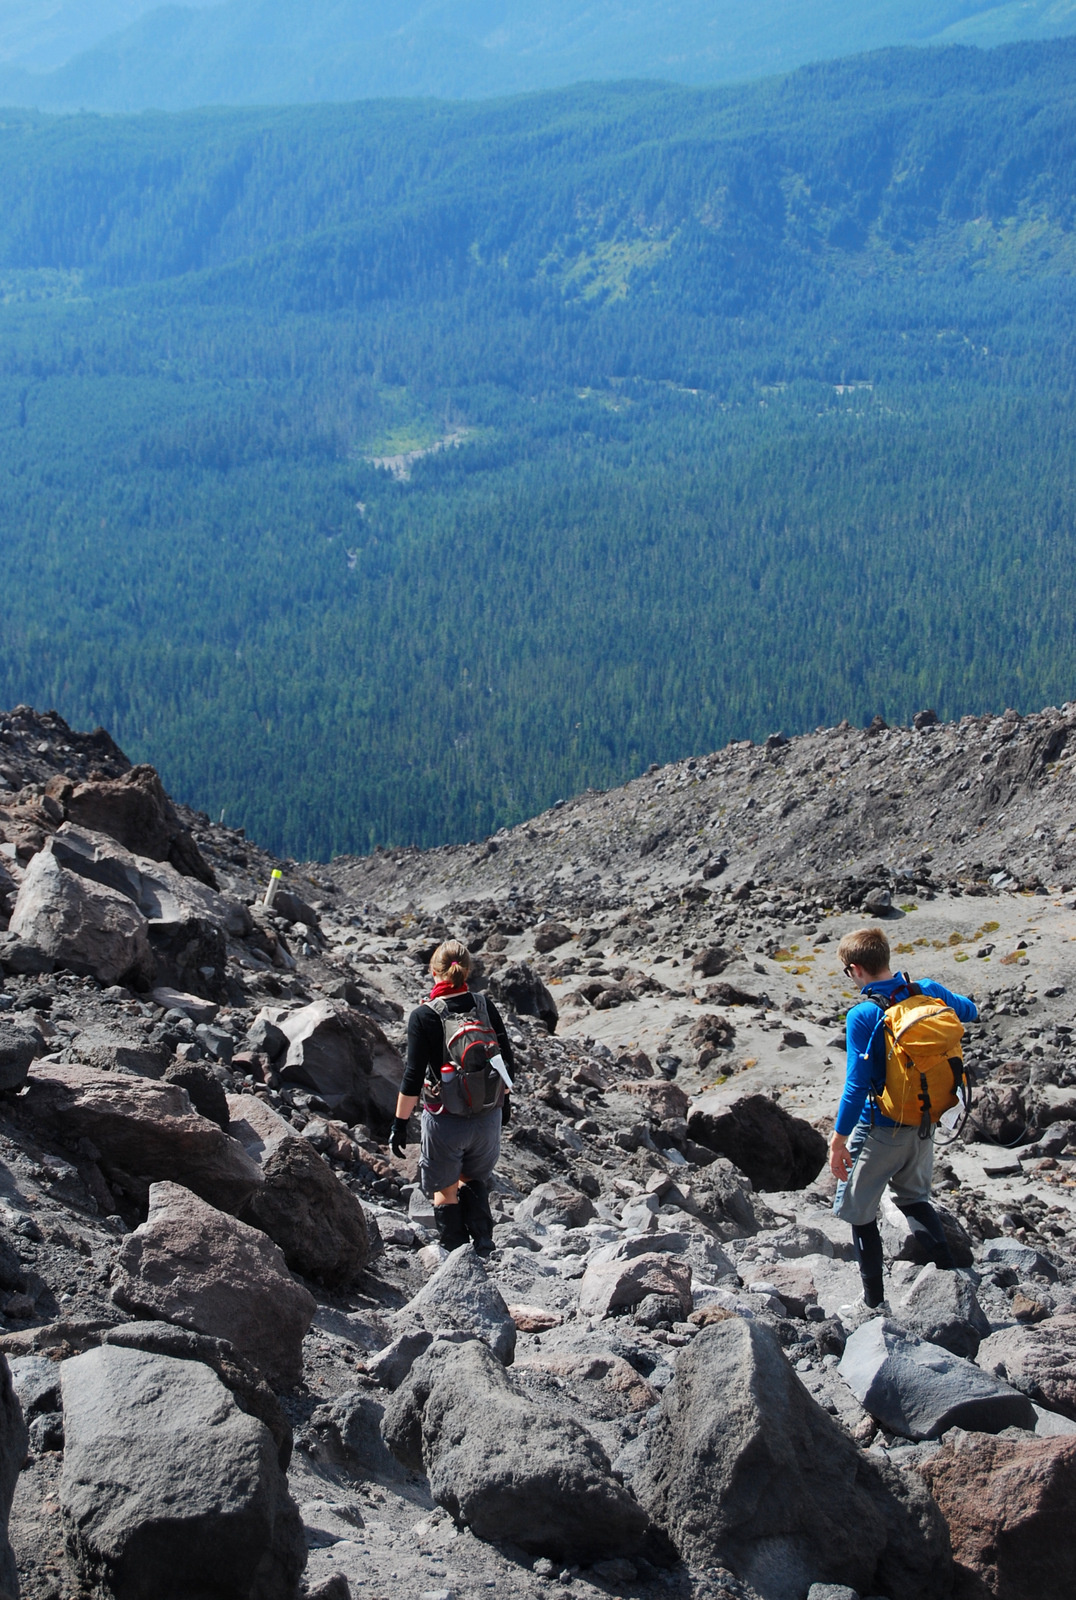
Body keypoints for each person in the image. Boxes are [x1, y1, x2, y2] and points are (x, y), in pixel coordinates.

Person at [828, 926, 978, 1310]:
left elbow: (856, 1085)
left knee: (860, 1212)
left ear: (856, 969)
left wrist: (839, 1139)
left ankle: (873, 1305)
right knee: (914, 1200)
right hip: (926, 1120)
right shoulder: (926, 989)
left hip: (880, 1127)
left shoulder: (864, 1014)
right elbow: (970, 1011)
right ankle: (955, 1290)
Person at [389, 938, 514, 1256]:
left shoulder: (423, 1016)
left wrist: (400, 1124)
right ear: (467, 971)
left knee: (445, 1188)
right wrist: (503, 1105)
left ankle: (455, 1251)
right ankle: (484, 1241)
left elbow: (413, 1077)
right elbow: (506, 1062)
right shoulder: (484, 1006)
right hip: (487, 1117)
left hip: (446, 1120)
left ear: (434, 972)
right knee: (474, 1178)